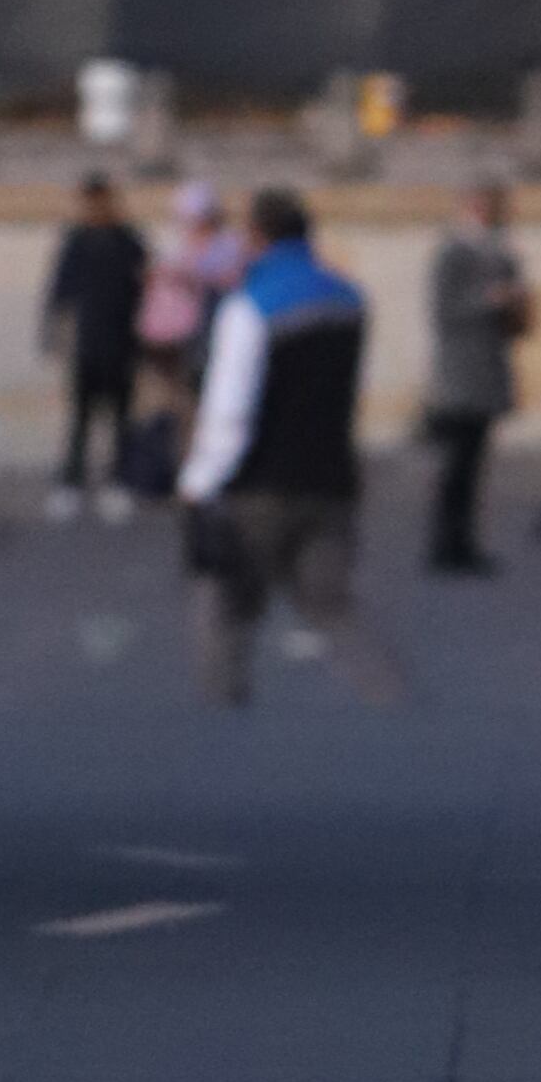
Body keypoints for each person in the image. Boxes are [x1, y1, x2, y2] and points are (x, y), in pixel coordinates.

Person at [177, 186, 395, 705]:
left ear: (255, 236)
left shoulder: (249, 306)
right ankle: (394, 702)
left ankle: (220, 717)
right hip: (333, 480)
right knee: (333, 609)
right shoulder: (350, 299)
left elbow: (231, 409)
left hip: (261, 487)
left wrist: (198, 481)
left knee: (227, 609)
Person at [419, 174, 534, 577]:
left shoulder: (502, 254)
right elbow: (444, 311)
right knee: (454, 464)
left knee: (474, 464)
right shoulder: (453, 252)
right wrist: (490, 300)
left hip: (486, 369)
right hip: (458, 373)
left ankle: (463, 542)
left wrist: (517, 306)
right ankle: (445, 544)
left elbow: (519, 320)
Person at [38, 169, 146, 519]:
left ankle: (117, 482)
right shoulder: (78, 240)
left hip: (121, 342)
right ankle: (71, 483)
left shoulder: (127, 240)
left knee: (119, 419)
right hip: (88, 344)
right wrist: (50, 334)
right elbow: (59, 292)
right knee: (82, 419)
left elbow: (146, 289)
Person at [128, 179, 237, 500]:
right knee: (177, 409)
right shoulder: (177, 244)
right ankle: (181, 473)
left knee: (205, 409)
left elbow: (223, 278)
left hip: (208, 342)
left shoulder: (224, 246)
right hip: (171, 342)